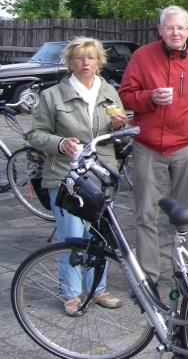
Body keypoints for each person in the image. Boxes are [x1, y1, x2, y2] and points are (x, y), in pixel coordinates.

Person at [118, 5, 188, 284]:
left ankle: (187, 272)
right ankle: (148, 277)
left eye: (180, 27)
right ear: (160, 30)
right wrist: (149, 97)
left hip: (186, 147)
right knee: (145, 214)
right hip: (148, 146)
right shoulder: (142, 57)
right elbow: (125, 96)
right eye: (169, 27)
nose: (175, 32)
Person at [28, 37, 128, 316]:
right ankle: (71, 294)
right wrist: (59, 144)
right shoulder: (52, 96)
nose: (86, 63)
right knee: (72, 235)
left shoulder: (109, 90)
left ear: (99, 62)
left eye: (92, 58)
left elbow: (117, 131)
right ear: (69, 62)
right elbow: (35, 135)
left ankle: (97, 288)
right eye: (79, 58)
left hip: (101, 174)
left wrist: (119, 124)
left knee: (101, 235)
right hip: (66, 175)